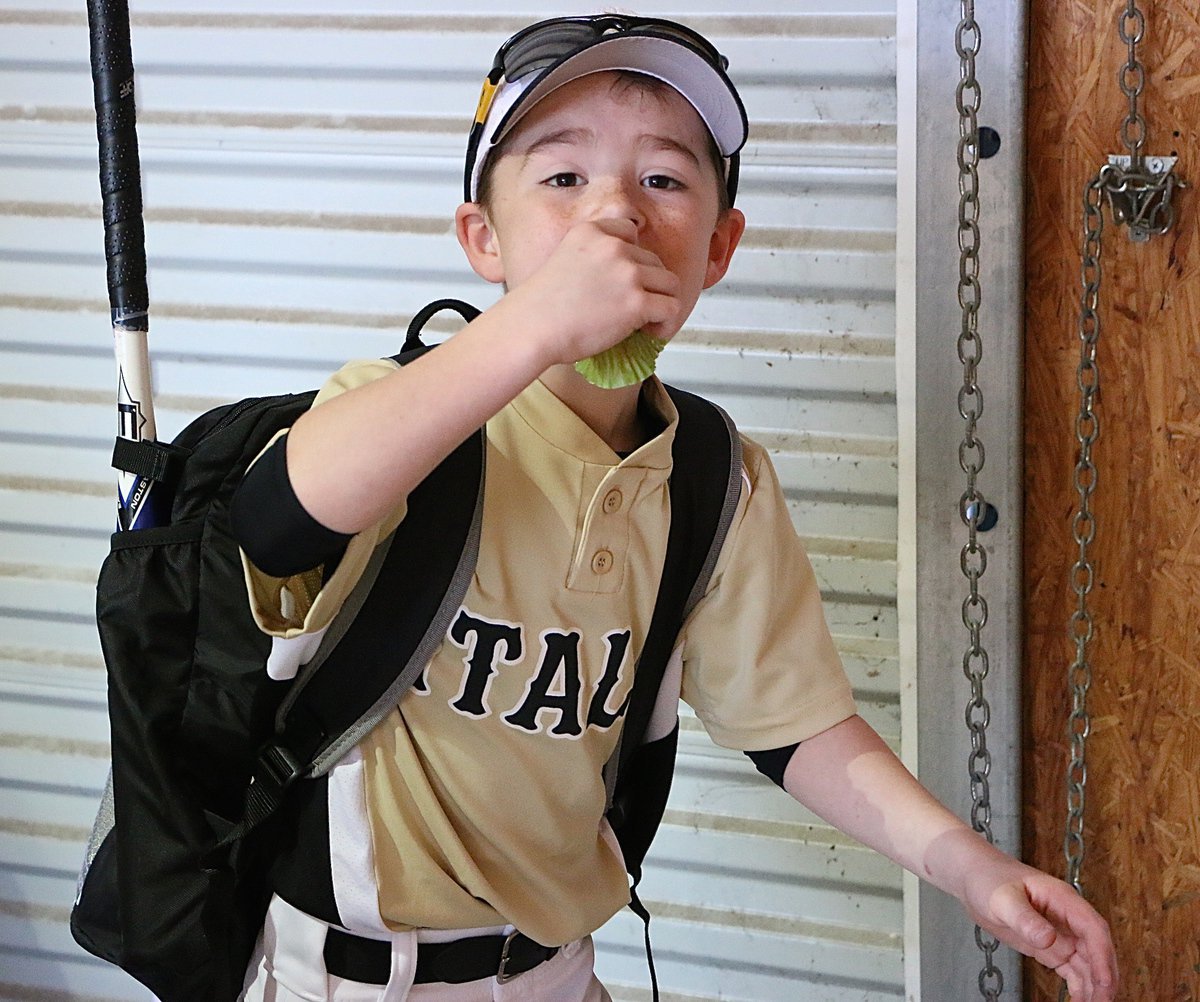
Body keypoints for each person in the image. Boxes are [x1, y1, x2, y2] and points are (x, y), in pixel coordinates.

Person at [230, 14, 1118, 1002]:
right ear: (483, 239)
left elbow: (796, 726)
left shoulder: (710, 477)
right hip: (340, 978)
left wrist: (970, 868)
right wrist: (531, 325)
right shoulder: (404, 416)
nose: (613, 211)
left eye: (663, 179)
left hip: (558, 976)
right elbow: (281, 516)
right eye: (561, 179)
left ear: (717, 248)